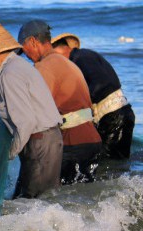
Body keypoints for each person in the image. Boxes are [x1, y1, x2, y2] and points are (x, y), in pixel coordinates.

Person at [0, 18, 63, 199]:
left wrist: (8, 154)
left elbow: (26, 122)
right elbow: (15, 117)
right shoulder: (16, 66)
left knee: (34, 204)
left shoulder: (9, 74)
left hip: (40, 143)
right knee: (35, 201)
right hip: (45, 140)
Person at [18, 20, 102, 185]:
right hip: (92, 140)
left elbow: (35, 110)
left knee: (58, 199)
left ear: (33, 42)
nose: (26, 56)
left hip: (74, 143)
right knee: (83, 198)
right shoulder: (67, 63)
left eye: (24, 49)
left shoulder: (44, 67)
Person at [51, 33, 135, 160]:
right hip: (121, 113)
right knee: (117, 162)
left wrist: (81, 103)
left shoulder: (80, 59)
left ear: (60, 50)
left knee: (107, 164)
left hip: (113, 117)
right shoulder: (86, 55)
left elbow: (100, 84)